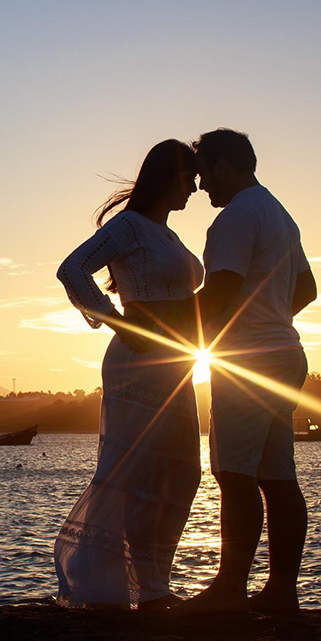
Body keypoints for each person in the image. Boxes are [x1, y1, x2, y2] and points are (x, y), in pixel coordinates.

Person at [54, 139, 204, 610]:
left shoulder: (169, 235)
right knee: (140, 473)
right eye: (189, 180)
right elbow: (71, 269)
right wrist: (117, 321)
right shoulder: (129, 227)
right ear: (168, 177)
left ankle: (155, 580)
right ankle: (148, 590)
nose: (195, 190)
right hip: (137, 361)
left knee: (181, 471)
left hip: (176, 363)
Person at [180, 128, 317, 615]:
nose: (201, 189)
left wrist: (162, 325)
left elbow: (220, 291)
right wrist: (271, 319)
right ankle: (282, 590)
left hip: (248, 360)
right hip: (284, 355)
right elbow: (307, 289)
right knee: (277, 475)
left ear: (222, 166)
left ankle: (230, 589)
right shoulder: (278, 212)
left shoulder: (236, 217)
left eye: (203, 175)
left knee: (234, 473)